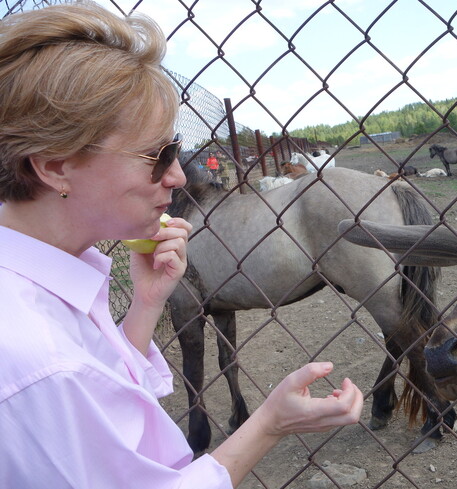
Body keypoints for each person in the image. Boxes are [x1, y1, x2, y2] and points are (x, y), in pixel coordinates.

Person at [0, 3, 363, 488]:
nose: (176, 176)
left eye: (175, 151)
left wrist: (148, 303)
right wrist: (270, 422)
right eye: (157, 155)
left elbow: (101, 398)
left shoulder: (42, 280)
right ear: (54, 166)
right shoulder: (37, 360)